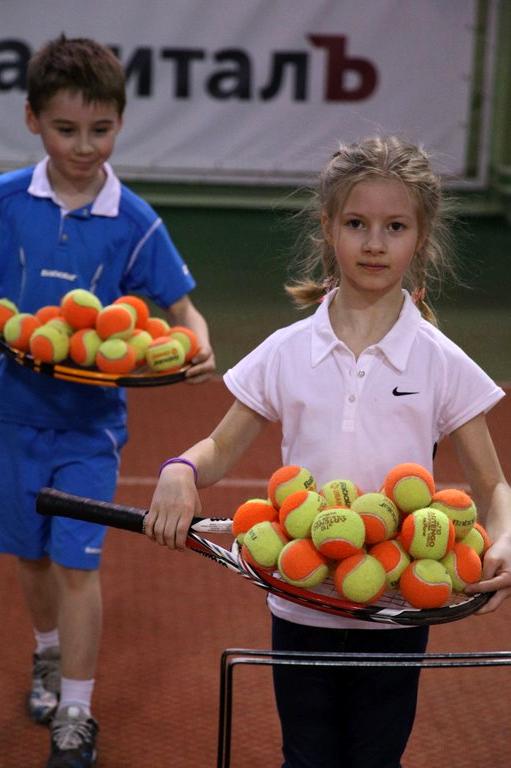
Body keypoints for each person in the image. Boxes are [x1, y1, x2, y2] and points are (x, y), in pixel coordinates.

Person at [145, 135, 511, 768]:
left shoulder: (440, 359)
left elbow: (493, 486)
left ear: (420, 237)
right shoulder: (288, 349)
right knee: (307, 759)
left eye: (394, 226)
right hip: (302, 598)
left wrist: (505, 534)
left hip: (398, 607)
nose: (374, 243)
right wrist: (180, 470)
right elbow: (220, 447)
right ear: (327, 228)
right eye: (356, 224)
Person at [0, 35, 215, 768]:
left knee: (77, 568)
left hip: (90, 430)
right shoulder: (4, 202)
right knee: (29, 561)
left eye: (100, 129)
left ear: (119, 124)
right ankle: (48, 655)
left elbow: (184, 312)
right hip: (11, 420)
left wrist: (198, 342)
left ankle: (77, 712)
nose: (84, 146)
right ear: (32, 120)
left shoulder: (136, 220)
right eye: (66, 129)